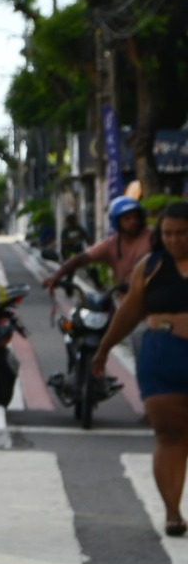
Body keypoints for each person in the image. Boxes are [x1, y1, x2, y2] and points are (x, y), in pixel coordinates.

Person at [94, 200, 188, 537]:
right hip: (163, 355)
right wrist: (103, 350)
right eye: (168, 233)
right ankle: (173, 513)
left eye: (182, 233)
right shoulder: (150, 267)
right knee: (169, 435)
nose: (174, 240)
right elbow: (129, 313)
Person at [45, 197, 151, 296]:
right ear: (117, 221)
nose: (133, 221)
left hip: (152, 295)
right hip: (125, 298)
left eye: (136, 217)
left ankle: (99, 285)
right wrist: (56, 277)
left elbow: (85, 237)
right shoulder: (111, 244)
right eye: (127, 219)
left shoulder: (152, 238)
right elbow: (80, 258)